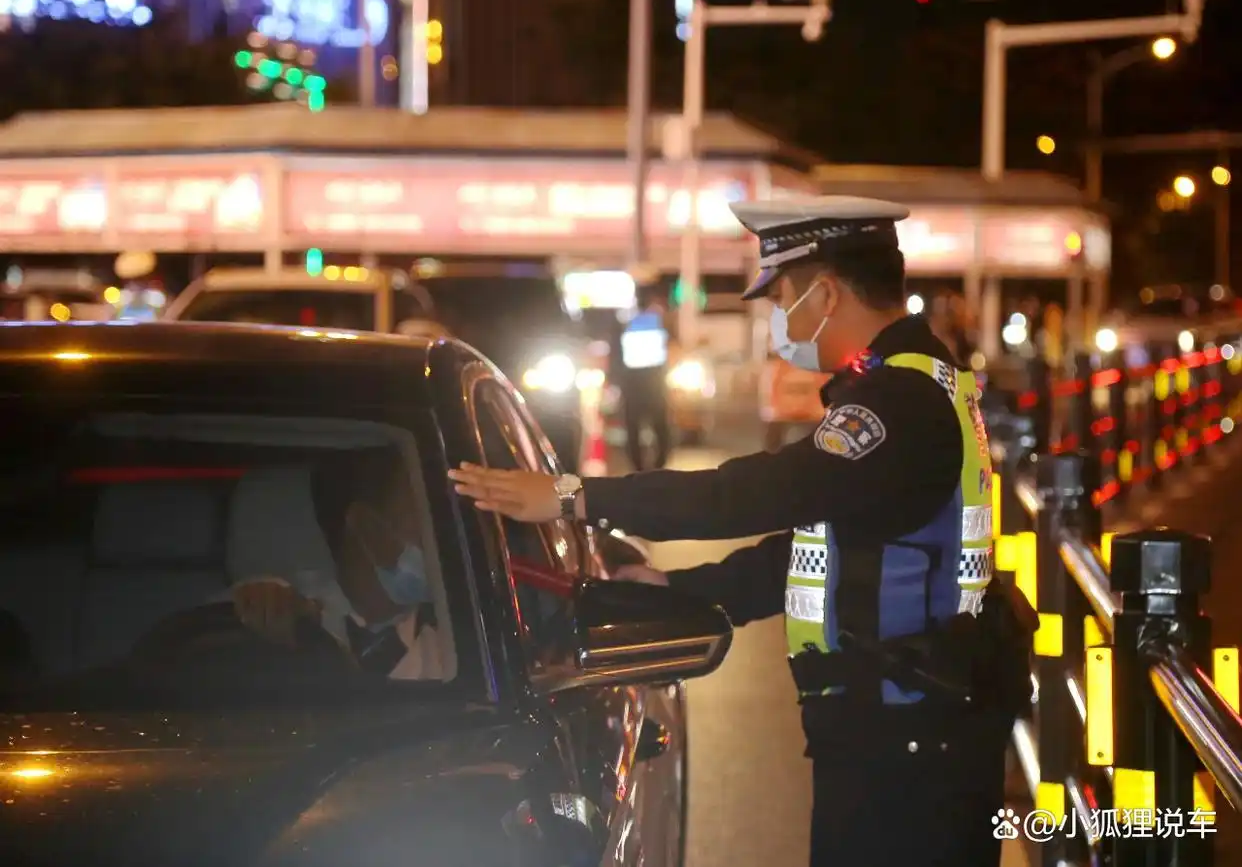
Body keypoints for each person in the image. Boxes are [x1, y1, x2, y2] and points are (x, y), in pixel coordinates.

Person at [448, 195, 1036, 866]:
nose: (777, 318)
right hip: (902, 725)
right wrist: (678, 586)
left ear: (827, 291)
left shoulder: (898, 403)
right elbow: (822, 551)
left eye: (781, 295)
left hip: (908, 740)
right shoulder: (909, 383)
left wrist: (571, 495)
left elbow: (751, 495)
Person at [232, 460, 443, 680]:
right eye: (426, 521)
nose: (439, 539)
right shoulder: (272, 615)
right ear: (367, 525)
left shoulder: (457, 642)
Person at [616, 290, 673, 470]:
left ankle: (639, 468)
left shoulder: (625, 321)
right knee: (659, 426)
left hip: (633, 383)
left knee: (634, 429)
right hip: (653, 381)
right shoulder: (657, 320)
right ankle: (658, 465)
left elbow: (617, 356)